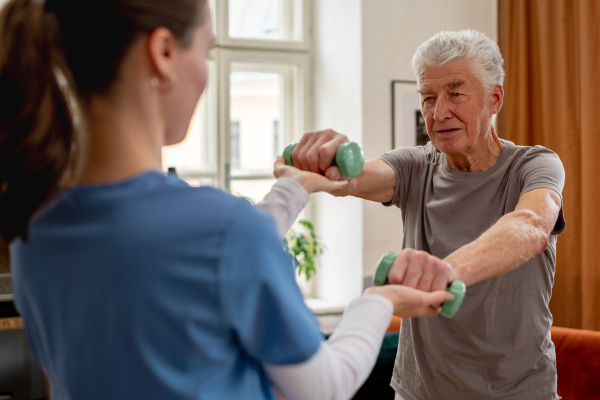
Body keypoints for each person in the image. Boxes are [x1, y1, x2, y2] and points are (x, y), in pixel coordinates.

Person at [0, 1, 454, 399]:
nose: (205, 70)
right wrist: (377, 301)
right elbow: (324, 387)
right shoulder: (221, 231)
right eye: (207, 51)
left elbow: (197, 257)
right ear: (162, 54)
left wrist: (293, 187)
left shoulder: (32, 216)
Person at [288, 30, 566, 399]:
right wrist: (324, 165)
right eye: (429, 97)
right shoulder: (416, 166)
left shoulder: (534, 165)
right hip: (419, 392)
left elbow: (531, 227)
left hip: (520, 392)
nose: (439, 113)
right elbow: (351, 180)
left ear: (494, 98)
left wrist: (445, 273)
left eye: (456, 94)